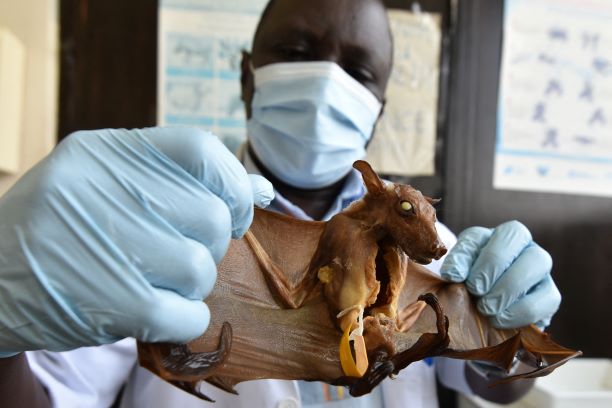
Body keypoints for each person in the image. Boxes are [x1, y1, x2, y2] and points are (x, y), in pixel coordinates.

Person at [0, 0, 561, 407]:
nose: (325, 84)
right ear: (248, 77)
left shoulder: (432, 250)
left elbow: (500, 382)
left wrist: (512, 324)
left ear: (377, 108)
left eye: (358, 71)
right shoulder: (158, 224)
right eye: (295, 52)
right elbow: (50, 396)